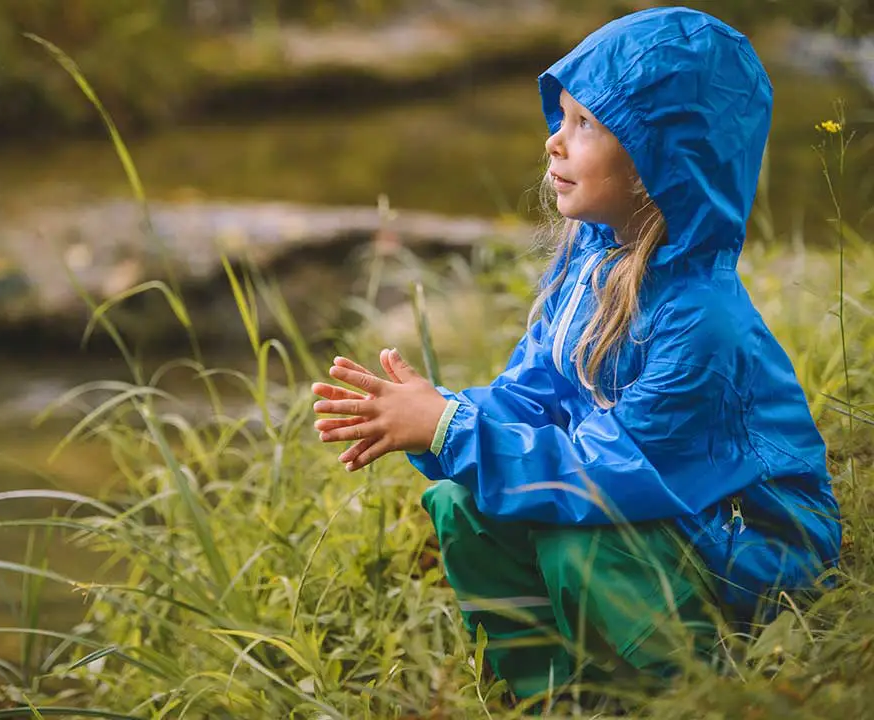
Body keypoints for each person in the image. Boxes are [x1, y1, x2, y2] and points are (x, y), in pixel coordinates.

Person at [311, 6, 842, 704]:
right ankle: (555, 694)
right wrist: (436, 415)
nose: (553, 142)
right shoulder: (592, 268)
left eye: (585, 123)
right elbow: (531, 397)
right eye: (560, 117)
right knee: (461, 502)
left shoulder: (702, 324)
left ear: (659, 162)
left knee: (577, 535)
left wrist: (450, 430)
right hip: (648, 501)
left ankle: (680, 692)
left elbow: (613, 476)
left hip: (746, 544)